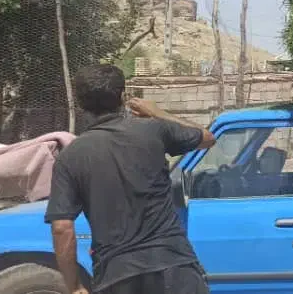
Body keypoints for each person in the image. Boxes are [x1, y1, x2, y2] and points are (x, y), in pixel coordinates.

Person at [44, 64, 216, 294]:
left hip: (116, 275)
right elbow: (208, 138)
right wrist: (158, 112)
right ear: (123, 97)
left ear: (79, 103)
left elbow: (62, 228)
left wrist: (74, 286)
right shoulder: (153, 130)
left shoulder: (69, 157)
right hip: (174, 267)